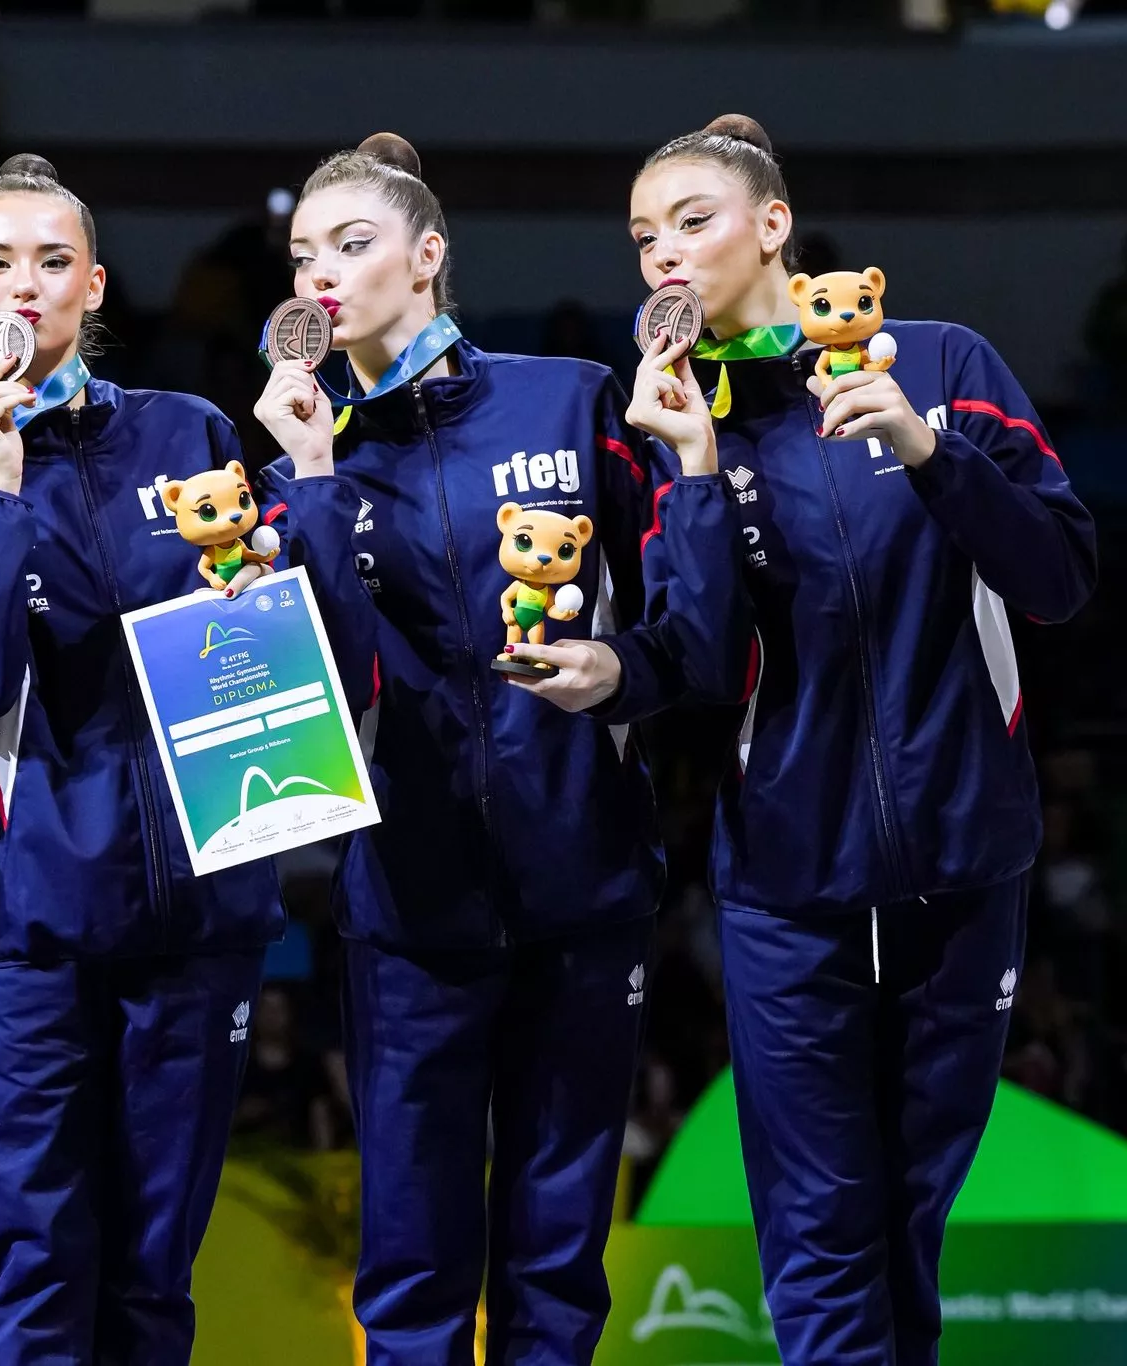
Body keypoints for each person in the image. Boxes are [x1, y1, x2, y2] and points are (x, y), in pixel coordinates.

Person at [253, 131, 741, 1365]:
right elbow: (306, 685)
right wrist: (309, 476)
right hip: (408, 910)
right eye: (302, 253)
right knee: (411, 1268)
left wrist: (617, 670)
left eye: (351, 246)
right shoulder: (297, 468)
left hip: (583, 889)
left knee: (554, 1260)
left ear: (426, 257)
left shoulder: (567, 398)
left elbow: (691, 639)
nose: (320, 274)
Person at [626, 113, 1096, 1366]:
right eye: (640, 238)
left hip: (962, 857)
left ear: (771, 224)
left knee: (907, 1215)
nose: (660, 255)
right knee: (819, 1227)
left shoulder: (943, 362)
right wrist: (686, 468)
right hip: (786, 879)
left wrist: (926, 449)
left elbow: (1055, 580)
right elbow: (697, 666)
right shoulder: (680, 422)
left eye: (689, 221)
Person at [0, 153, 351, 1365]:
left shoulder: (186, 429)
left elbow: (277, 634)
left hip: (202, 920)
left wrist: (298, 491)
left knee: (152, 1275)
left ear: (93, 284)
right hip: (37, 923)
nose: (26, 286)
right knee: (42, 1270)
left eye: (53, 263)